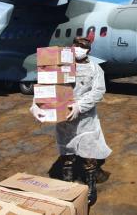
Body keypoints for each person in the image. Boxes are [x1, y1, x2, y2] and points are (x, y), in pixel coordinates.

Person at [55, 37, 111, 206]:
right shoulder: (62, 67)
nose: (78, 49)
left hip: (86, 120)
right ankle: (67, 186)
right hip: (65, 118)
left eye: (82, 47)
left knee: (89, 155)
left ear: (88, 50)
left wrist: (80, 106)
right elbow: (48, 84)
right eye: (76, 46)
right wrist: (38, 104)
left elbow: (98, 91)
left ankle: (91, 187)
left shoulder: (95, 69)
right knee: (67, 154)